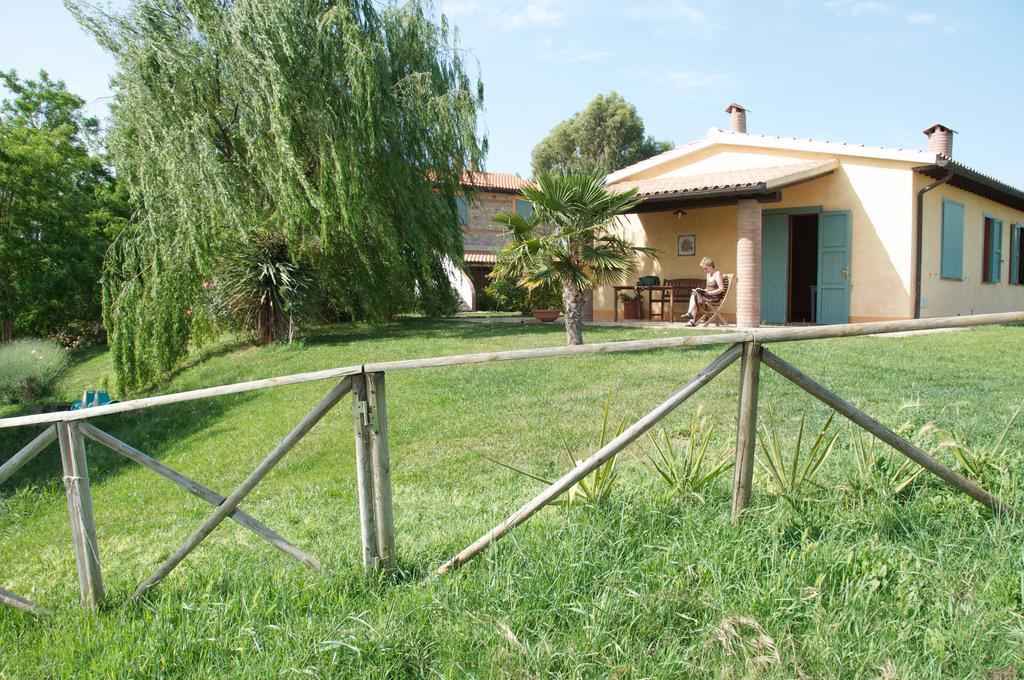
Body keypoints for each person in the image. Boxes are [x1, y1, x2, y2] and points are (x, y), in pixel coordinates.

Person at [681, 257, 724, 326]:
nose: (704, 270)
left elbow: (721, 289)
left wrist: (710, 293)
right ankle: (690, 318)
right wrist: (702, 290)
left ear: (711, 266)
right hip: (708, 295)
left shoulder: (717, 274)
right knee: (695, 293)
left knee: (695, 296)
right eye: (704, 269)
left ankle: (690, 318)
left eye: (705, 268)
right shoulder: (708, 275)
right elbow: (708, 288)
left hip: (714, 296)